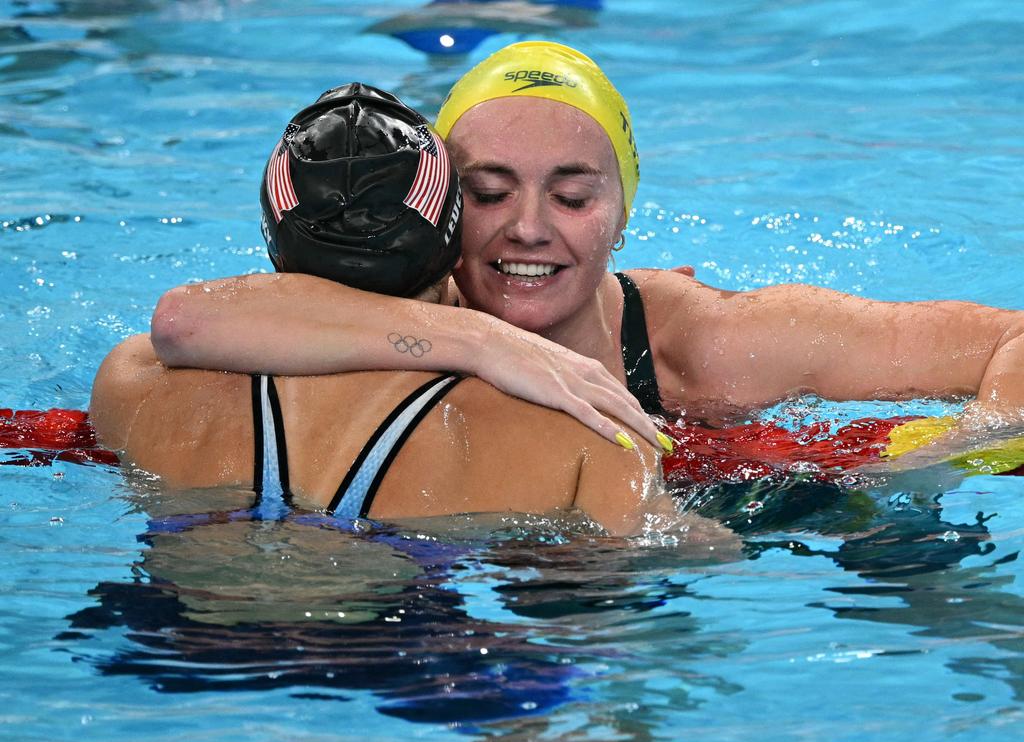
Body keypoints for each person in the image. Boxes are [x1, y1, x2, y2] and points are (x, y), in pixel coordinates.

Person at [150, 41, 1024, 449]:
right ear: (439, 204)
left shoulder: (709, 346)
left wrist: (957, 450)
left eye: (571, 196)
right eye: (489, 192)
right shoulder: (396, 305)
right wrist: (483, 343)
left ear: (620, 214)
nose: (529, 226)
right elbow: (188, 321)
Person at [90, 83, 730, 544]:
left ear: (273, 235)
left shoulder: (132, 385)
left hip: (182, 645)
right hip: (408, 660)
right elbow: (666, 559)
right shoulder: (583, 441)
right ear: (450, 238)